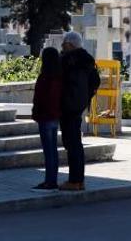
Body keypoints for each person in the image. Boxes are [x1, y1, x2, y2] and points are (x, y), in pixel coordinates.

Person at [58, 31, 100, 191]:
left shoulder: (67, 60)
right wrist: (85, 99)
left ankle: (74, 181)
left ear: (70, 44)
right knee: (76, 143)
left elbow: (60, 83)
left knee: (71, 144)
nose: (62, 46)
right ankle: (79, 180)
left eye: (64, 44)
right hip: (79, 107)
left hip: (67, 107)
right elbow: (95, 82)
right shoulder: (87, 60)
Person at [31, 47, 63, 192]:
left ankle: (49, 182)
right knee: (53, 150)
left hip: (45, 116)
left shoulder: (45, 77)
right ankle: (52, 179)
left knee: (48, 151)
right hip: (55, 116)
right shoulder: (59, 76)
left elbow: (40, 98)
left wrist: (36, 113)